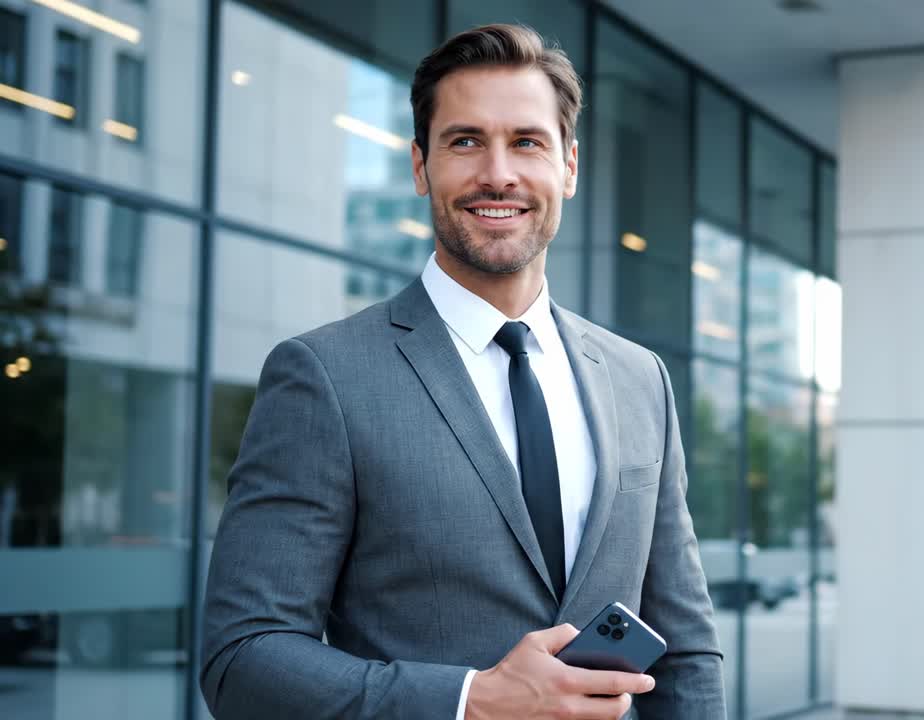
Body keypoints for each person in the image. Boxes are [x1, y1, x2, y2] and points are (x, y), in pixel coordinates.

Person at [200, 23, 725, 720]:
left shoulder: (640, 379)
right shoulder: (325, 377)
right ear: (421, 167)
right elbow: (242, 657)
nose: (498, 174)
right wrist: (471, 700)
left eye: (527, 142)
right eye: (466, 141)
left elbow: (684, 650)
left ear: (569, 166)